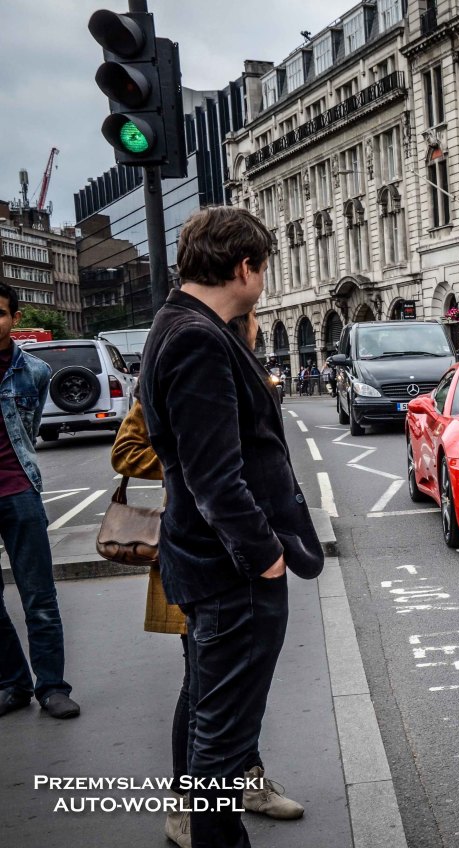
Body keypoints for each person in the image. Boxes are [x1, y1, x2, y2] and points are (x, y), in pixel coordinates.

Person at [141, 206, 324, 847]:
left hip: (207, 565)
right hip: (230, 573)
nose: (264, 281)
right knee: (222, 745)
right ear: (245, 266)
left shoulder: (178, 325)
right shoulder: (197, 338)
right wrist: (265, 556)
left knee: (205, 711)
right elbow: (214, 477)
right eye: (264, 268)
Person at [114, 308, 304, 848]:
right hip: (197, 545)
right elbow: (126, 449)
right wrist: (192, 454)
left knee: (230, 687)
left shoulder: (241, 368)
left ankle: (244, 781)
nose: (254, 334)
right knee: (201, 686)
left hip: (236, 546)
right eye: (250, 325)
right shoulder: (191, 358)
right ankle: (187, 809)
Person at [0, 283, 78, 720]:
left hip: (19, 492)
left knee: (39, 597)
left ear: (14, 318)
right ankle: (12, 683)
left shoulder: (34, 372)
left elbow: (26, 431)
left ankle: (52, 687)